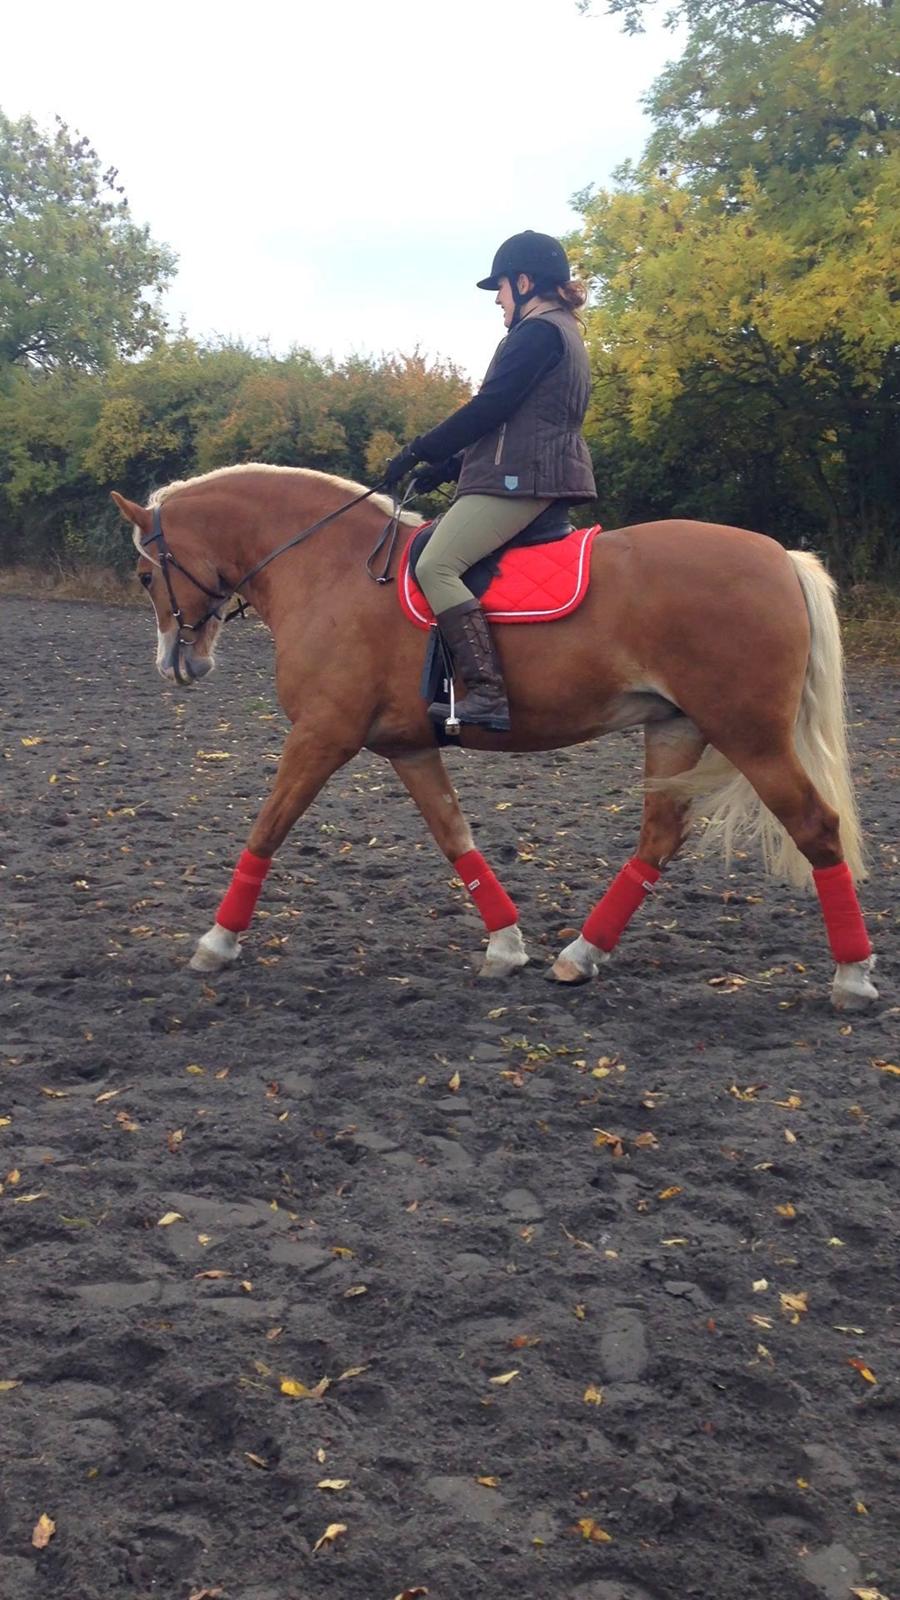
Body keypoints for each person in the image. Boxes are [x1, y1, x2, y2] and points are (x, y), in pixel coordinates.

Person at [384, 230, 596, 731]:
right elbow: (514, 423)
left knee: (436, 564)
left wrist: (419, 448)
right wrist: (449, 466)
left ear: (524, 282)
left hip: (525, 483)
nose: (497, 300)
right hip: (526, 472)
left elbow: (490, 407)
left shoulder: (538, 333)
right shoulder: (558, 331)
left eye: (500, 288)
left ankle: (485, 692)